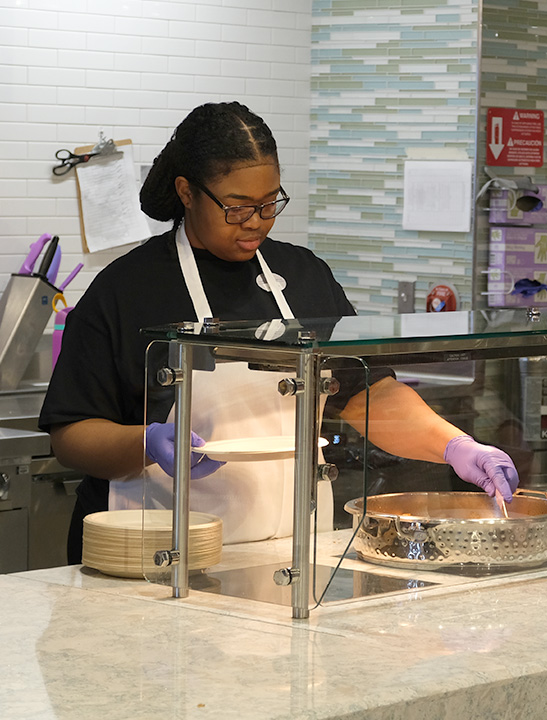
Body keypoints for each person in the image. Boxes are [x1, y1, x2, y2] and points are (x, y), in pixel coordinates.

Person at [39, 101, 519, 564]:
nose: (257, 223)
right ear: (186, 192)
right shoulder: (126, 289)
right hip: (159, 557)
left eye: (271, 204)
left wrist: (455, 446)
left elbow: (367, 396)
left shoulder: (305, 276)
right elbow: (72, 433)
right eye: (238, 207)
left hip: (289, 557)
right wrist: (145, 443)